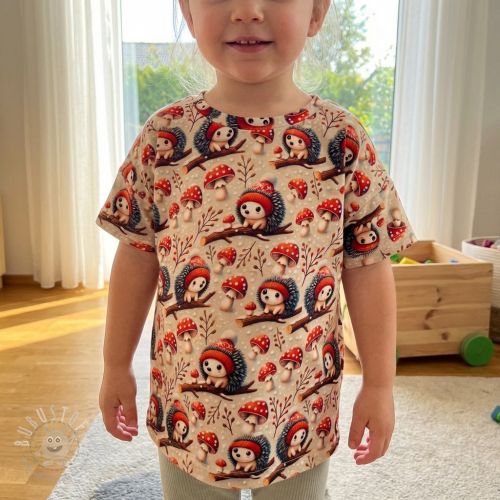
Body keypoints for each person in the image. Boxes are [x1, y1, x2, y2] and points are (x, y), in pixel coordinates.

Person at [96, 0, 418, 499]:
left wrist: (380, 385)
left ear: (316, 13)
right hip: (190, 403)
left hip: (299, 404)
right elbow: (136, 256)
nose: (247, 10)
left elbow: (370, 268)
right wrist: (115, 364)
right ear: (187, 13)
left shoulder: (341, 141)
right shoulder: (165, 138)